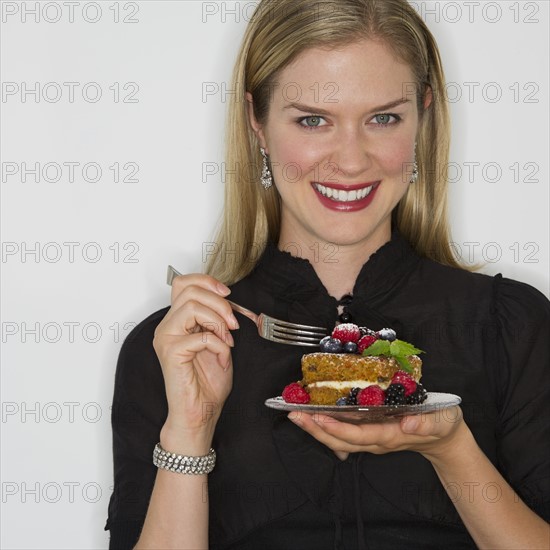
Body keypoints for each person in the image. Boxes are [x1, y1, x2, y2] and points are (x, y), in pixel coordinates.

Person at [105, 0, 550, 548]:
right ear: (258, 123)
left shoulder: (511, 326)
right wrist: (191, 427)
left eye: (383, 118)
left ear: (423, 116)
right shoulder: (180, 347)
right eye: (313, 120)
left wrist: (451, 448)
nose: (352, 160)